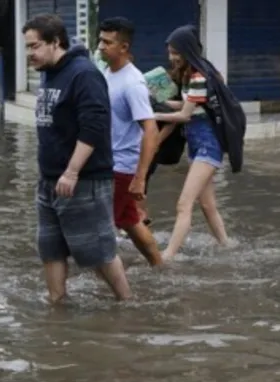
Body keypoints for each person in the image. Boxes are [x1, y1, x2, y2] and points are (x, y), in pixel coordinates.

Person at [22, 14, 132, 303]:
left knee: (98, 251)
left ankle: (127, 303)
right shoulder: (48, 71)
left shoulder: (84, 74)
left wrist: (71, 172)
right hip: (49, 181)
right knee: (50, 248)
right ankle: (57, 303)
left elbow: (94, 128)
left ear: (56, 42)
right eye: (27, 47)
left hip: (83, 180)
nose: (29, 54)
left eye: (34, 46)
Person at [153, 28, 229, 260]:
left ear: (187, 50)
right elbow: (190, 106)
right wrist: (159, 102)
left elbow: (185, 115)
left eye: (175, 52)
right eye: (169, 52)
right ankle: (227, 246)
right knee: (207, 205)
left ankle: (168, 256)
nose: (171, 58)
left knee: (183, 204)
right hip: (197, 146)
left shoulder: (198, 77)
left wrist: (153, 116)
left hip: (208, 145)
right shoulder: (194, 75)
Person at [97, 17, 162, 267]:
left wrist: (140, 178)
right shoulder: (106, 72)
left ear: (123, 47)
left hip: (121, 167)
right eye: (100, 40)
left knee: (98, 230)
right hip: (108, 162)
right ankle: (160, 267)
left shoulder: (132, 82)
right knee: (130, 221)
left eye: (107, 42)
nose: (101, 46)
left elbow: (151, 129)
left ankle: (110, 287)